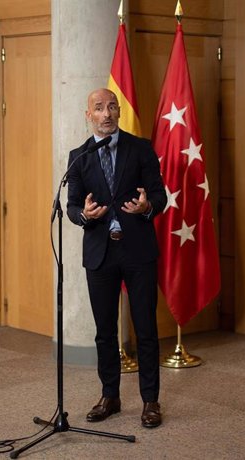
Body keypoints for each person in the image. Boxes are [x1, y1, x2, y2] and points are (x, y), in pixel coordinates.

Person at [66, 88, 167, 428]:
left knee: (146, 329)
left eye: (112, 107)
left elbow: (159, 195)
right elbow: (72, 206)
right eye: (99, 108)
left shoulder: (140, 149)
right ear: (88, 115)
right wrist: (86, 214)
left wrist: (147, 206)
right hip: (101, 253)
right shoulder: (79, 157)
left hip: (138, 249)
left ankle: (150, 401)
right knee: (105, 331)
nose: (106, 113)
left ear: (119, 112)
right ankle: (110, 395)